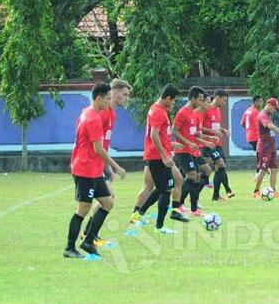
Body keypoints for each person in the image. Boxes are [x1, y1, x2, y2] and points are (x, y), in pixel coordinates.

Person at [64, 83, 126, 259]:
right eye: (107, 98)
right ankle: (69, 248)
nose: (109, 102)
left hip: (93, 169)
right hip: (85, 169)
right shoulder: (93, 119)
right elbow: (99, 149)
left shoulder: (89, 113)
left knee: (107, 202)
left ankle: (88, 241)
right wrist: (116, 166)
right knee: (83, 208)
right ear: (99, 98)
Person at [82, 78, 131, 246]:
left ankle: (89, 234)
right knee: (107, 199)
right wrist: (111, 167)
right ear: (114, 93)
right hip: (92, 163)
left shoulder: (111, 114)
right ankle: (89, 235)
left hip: (101, 162)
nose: (126, 98)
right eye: (124, 95)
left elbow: (105, 143)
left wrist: (108, 167)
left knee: (108, 198)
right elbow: (97, 145)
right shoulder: (101, 113)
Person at [138, 84, 180, 234]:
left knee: (162, 188)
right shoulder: (158, 112)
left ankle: (140, 213)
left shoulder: (156, 109)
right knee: (167, 189)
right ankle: (160, 227)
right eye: (173, 101)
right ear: (168, 97)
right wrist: (164, 156)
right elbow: (153, 135)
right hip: (157, 156)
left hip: (157, 154)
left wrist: (172, 145)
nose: (173, 104)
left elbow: (161, 135)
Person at [174, 86, 206, 216]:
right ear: (192, 98)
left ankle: (191, 208)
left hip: (192, 151)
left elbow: (194, 133)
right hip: (183, 151)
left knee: (197, 177)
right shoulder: (183, 112)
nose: (201, 102)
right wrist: (188, 143)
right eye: (200, 99)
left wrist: (206, 140)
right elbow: (174, 131)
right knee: (192, 176)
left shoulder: (194, 113)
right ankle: (182, 205)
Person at [253, 98, 279, 198]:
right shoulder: (262, 115)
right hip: (264, 148)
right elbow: (270, 126)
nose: (275, 111)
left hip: (271, 147)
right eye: (275, 108)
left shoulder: (269, 115)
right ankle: (256, 191)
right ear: (269, 105)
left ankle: (273, 191)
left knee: (274, 169)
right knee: (263, 170)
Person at [203, 89, 234, 201]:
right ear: (217, 97)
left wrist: (223, 130)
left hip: (217, 143)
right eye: (224, 100)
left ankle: (216, 195)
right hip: (208, 143)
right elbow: (200, 127)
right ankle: (227, 189)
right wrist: (212, 132)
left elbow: (215, 126)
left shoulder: (218, 110)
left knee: (220, 166)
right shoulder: (206, 109)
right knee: (218, 165)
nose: (224, 103)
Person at [241, 95, 263, 172]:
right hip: (256, 136)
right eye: (260, 102)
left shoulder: (247, 111)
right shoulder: (255, 111)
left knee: (260, 153)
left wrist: (249, 129)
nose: (261, 104)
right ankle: (260, 171)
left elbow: (242, 123)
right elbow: (258, 124)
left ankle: (261, 170)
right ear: (255, 102)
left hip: (249, 136)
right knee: (262, 153)